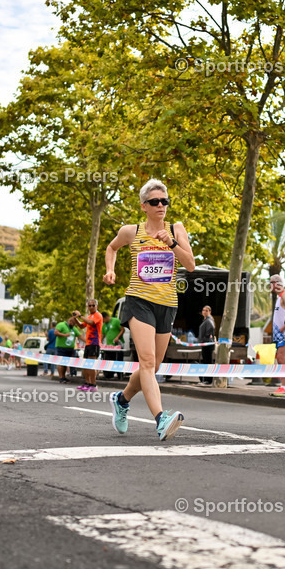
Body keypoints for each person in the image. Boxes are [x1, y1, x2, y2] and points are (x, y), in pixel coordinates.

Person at [104, 178, 193, 441]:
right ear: (144, 206)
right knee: (147, 361)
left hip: (167, 304)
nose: (160, 205)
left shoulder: (176, 229)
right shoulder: (131, 231)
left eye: (164, 201)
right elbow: (112, 247)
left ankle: (121, 400)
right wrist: (110, 269)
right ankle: (161, 419)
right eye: (154, 202)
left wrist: (172, 244)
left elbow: (190, 265)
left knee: (152, 369)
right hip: (138, 300)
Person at [267, 276, 285, 396]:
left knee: (282, 358)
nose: (270, 286)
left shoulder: (284, 294)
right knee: (280, 358)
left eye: (270, 283)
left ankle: (284, 387)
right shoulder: (280, 297)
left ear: (276, 283)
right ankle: (283, 386)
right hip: (280, 333)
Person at [76, 300, 104, 391]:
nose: (91, 307)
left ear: (97, 306)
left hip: (94, 343)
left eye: (93, 305)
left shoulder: (98, 315)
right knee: (86, 365)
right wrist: (75, 318)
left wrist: (80, 315)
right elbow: (81, 326)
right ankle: (87, 383)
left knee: (91, 365)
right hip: (88, 344)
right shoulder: (89, 316)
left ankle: (93, 384)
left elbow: (91, 322)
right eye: (90, 305)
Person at [53, 317, 80, 383]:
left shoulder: (73, 329)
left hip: (70, 348)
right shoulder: (61, 325)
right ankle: (61, 377)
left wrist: (89, 342)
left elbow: (80, 336)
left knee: (65, 363)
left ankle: (64, 377)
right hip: (61, 347)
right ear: (70, 321)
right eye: (73, 323)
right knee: (61, 363)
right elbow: (56, 333)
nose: (74, 325)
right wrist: (64, 335)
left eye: (75, 324)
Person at [197, 305, 216, 385]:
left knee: (208, 361)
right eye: (203, 310)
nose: (204, 312)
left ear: (209, 312)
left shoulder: (209, 320)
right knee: (206, 361)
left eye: (206, 310)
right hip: (205, 343)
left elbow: (211, 328)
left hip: (207, 344)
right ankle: (206, 379)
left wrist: (206, 336)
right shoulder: (205, 320)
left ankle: (208, 379)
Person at [102, 312, 124, 380]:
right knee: (109, 360)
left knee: (118, 360)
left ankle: (120, 375)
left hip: (118, 345)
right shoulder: (104, 325)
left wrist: (117, 337)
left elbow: (122, 329)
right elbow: (102, 335)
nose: (103, 321)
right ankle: (109, 375)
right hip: (109, 346)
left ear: (106, 317)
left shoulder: (116, 321)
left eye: (103, 319)